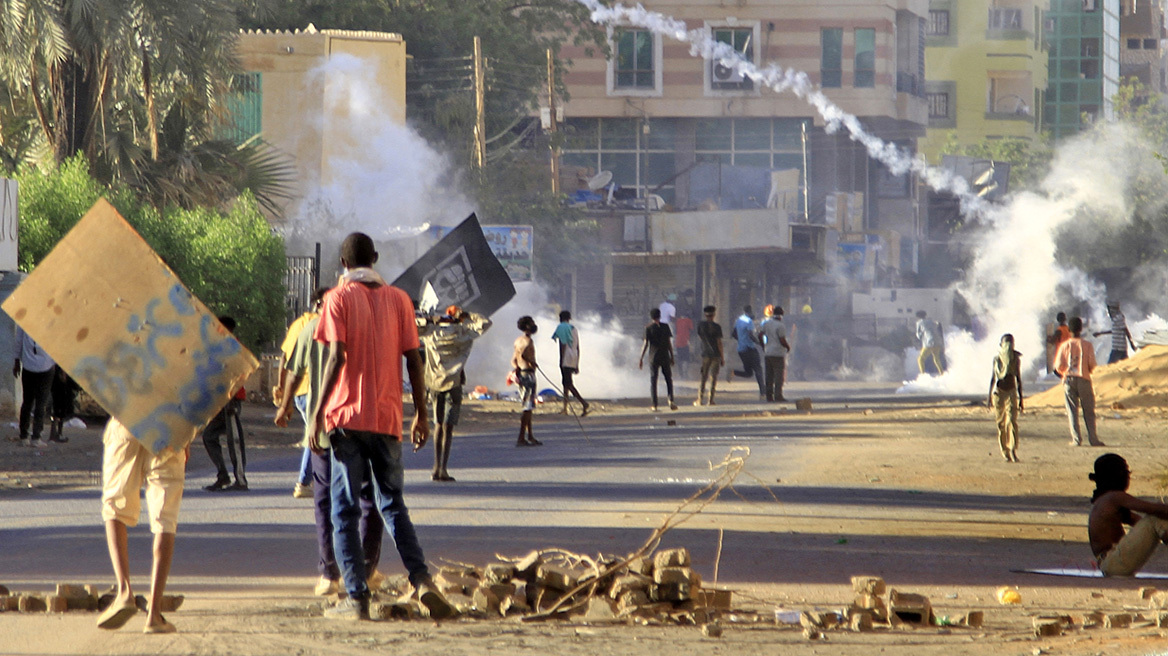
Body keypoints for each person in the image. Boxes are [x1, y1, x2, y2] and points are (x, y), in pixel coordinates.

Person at [309, 232, 454, 621]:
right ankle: (422, 580)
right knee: (393, 504)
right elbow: (414, 361)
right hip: (388, 419)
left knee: (344, 510)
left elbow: (336, 356)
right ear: (374, 258)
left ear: (343, 264)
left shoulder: (336, 299)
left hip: (346, 421)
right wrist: (422, 414)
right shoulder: (399, 300)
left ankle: (356, 599)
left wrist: (318, 412)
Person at [275, 296, 385, 597]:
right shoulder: (367, 327)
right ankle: (365, 568)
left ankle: (329, 574)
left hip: (322, 429)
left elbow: (294, 371)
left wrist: (284, 407)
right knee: (366, 498)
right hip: (360, 424)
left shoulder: (310, 328)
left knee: (325, 499)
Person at [97, 417, 189, 634]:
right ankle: (154, 614)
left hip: (126, 422)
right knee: (164, 519)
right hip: (170, 428)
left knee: (114, 507)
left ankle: (124, 591)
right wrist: (187, 437)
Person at [418, 305, 492, 480]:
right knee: (448, 428)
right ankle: (443, 468)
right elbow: (485, 322)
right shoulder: (463, 331)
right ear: (458, 317)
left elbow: (410, 324)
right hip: (454, 384)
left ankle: (435, 468)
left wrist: (430, 319)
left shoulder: (431, 332)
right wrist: (467, 315)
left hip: (435, 384)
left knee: (437, 426)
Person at [277, 287, 330, 499]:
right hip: (311, 387)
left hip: (297, 390)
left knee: (313, 430)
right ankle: (304, 481)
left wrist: (282, 392)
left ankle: (309, 479)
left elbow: (284, 359)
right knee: (315, 433)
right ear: (319, 304)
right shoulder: (321, 325)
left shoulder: (297, 324)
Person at [1088, 454, 1168, 576]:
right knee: (1155, 518)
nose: (1128, 477)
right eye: (1126, 473)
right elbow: (1152, 510)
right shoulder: (1114, 497)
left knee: (1157, 520)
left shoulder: (1103, 501)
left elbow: (1144, 526)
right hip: (1113, 563)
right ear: (1118, 476)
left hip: (1110, 565)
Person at [202, 316, 248, 492]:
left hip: (231, 400)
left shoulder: (233, 347)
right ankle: (223, 475)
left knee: (234, 441)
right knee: (209, 436)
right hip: (219, 400)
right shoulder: (218, 347)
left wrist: (231, 397)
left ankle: (241, 480)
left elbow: (239, 372)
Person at [1054, 316, 1105, 447]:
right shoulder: (1087, 345)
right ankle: (1093, 439)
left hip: (1069, 379)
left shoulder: (1064, 345)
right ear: (1081, 329)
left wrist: (1064, 373)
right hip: (1084, 379)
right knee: (1088, 411)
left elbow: (1058, 366)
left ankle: (1076, 440)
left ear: (1069, 329)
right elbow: (1092, 364)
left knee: (1072, 410)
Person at [13, 325, 55, 447]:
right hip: (46, 366)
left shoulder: (24, 322)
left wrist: (16, 362)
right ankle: (36, 437)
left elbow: (18, 341)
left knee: (27, 402)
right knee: (41, 403)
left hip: (28, 366)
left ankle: (24, 436)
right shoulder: (49, 320)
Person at [987, 334, 1023, 463]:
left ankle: (1012, 449)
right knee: (1001, 423)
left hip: (1011, 392)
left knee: (1012, 422)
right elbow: (993, 378)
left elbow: (1018, 378)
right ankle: (1004, 451)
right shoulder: (997, 359)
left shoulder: (1015, 359)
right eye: (1006, 343)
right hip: (999, 392)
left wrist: (1021, 399)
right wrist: (989, 397)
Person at [551, 310, 590, 418]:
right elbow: (578, 347)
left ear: (560, 318)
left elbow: (563, 344)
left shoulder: (562, 328)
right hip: (573, 357)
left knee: (568, 383)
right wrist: (577, 363)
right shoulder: (574, 329)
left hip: (566, 358)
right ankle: (565, 408)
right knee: (565, 383)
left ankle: (584, 403)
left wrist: (561, 359)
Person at [511, 315, 541, 446]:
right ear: (527, 326)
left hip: (522, 374)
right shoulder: (528, 341)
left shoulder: (517, 340)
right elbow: (523, 355)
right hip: (528, 375)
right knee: (527, 408)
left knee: (528, 407)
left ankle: (530, 436)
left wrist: (517, 368)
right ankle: (521, 437)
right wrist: (532, 362)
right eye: (532, 323)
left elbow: (513, 360)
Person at [639, 307, 677, 412]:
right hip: (665, 356)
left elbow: (646, 344)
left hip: (653, 358)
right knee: (668, 379)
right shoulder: (665, 327)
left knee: (653, 381)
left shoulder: (648, 328)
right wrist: (672, 357)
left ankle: (654, 405)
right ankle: (671, 400)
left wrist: (641, 358)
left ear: (651, 317)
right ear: (660, 316)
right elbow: (669, 344)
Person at [730, 305, 765, 399]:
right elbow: (751, 335)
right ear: (750, 311)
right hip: (750, 349)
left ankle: (733, 372)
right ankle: (763, 393)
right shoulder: (749, 321)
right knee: (758, 369)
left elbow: (733, 334)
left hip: (741, 350)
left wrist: (741, 340)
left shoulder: (738, 320)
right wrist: (759, 343)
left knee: (749, 373)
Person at [759, 305, 791, 403]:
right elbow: (782, 340)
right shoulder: (781, 325)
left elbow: (760, 335)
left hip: (768, 352)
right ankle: (778, 396)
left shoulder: (767, 323)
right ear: (781, 315)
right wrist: (787, 346)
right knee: (778, 376)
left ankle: (769, 396)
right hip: (778, 353)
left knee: (769, 375)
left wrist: (763, 345)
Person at [695, 305, 724, 406]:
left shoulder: (700, 325)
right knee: (713, 377)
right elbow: (719, 343)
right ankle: (710, 400)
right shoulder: (717, 327)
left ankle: (700, 399)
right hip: (716, 355)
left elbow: (700, 337)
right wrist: (722, 357)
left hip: (705, 354)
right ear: (714, 314)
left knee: (703, 377)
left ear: (705, 314)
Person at [48, 366, 79, 444]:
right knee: (58, 411)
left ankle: (57, 433)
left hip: (60, 387)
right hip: (60, 387)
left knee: (59, 411)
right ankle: (56, 434)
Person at [915, 310, 946, 376]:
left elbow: (919, 335)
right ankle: (942, 373)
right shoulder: (932, 322)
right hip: (938, 342)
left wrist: (921, 336)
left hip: (929, 343)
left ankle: (923, 375)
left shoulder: (919, 323)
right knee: (936, 359)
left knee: (921, 359)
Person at [674, 313, 694, 379]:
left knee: (680, 358)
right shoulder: (689, 320)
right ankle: (685, 373)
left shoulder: (677, 321)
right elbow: (691, 331)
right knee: (686, 358)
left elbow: (675, 331)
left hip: (678, 342)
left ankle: (681, 374)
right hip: (685, 342)